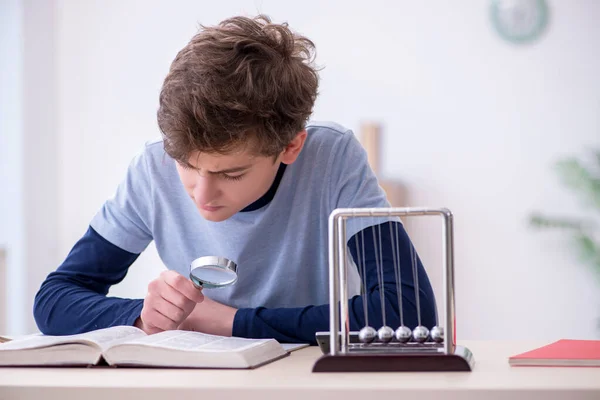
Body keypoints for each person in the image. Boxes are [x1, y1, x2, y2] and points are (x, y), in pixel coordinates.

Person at [33, 14, 437, 343]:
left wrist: (227, 322)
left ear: (290, 148)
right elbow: (53, 300)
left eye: (231, 173)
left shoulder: (331, 158)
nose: (202, 194)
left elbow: (408, 313)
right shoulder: (153, 167)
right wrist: (141, 314)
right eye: (188, 166)